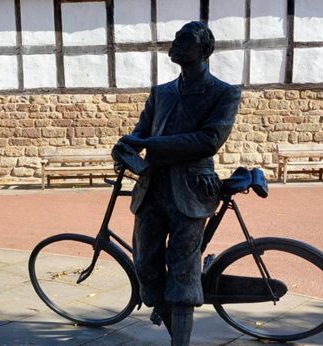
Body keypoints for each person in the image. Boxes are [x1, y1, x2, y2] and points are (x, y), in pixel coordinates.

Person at [112, 21, 241, 345]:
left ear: (204, 49)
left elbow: (209, 140)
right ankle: (163, 310)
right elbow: (142, 132)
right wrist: (128, 146)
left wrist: (150, 144)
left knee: (183, 270)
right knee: (145, 265)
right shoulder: (161, 93)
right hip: (152, 189)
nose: (177, 44)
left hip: (191, 191)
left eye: (185, 40)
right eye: (176, 39)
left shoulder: (224, 92)